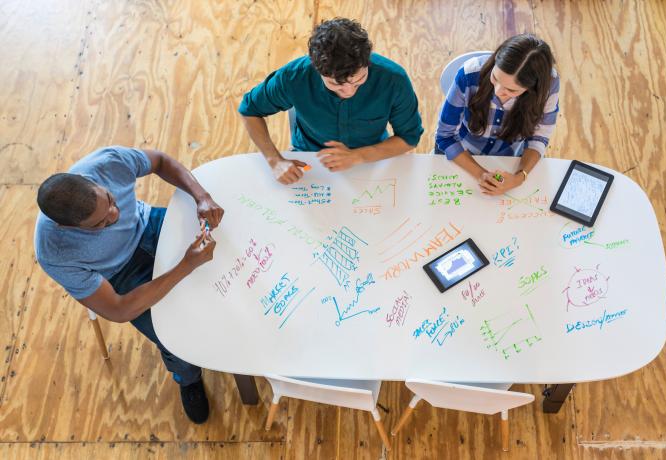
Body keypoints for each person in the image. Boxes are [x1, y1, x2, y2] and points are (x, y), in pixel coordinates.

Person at [34, 146, 224, 424]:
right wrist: (186, 266)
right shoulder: (53, 252)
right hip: (121, 275)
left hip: (150, 224)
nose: (115, 214)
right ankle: (188, 377)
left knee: (226, 257)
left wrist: (201, 195)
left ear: (94, 181)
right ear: (66, 227)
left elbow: (160, 160)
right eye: (100, 223)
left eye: (110, 200)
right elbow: (119, 310)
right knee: (170, 334)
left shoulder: (106, 162)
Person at [239, 18, 424, 184]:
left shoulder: (393, 80)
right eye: (336, 85)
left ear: (367, 62)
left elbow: (409, 138)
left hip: (372, 156)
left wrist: (358, 156)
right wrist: (274, 160)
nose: (349, 91)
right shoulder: (293, 77)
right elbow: (249, 110)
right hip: (310, 159)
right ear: (317, 69)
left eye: (359, 81)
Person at [435, 34, 560, 195]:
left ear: (532, 89)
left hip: (510, 159)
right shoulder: (468, 74)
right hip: (462, 154)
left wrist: (519, 177)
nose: (498, 91)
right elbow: (445, 136)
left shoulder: (549, 86)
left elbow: (538, 138)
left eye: (512, 90)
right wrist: (481, 174)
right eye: (495, 78)